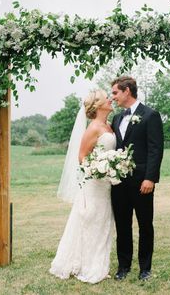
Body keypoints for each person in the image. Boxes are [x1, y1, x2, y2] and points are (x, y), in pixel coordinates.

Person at [49, 89, 116, 284]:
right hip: (95, 184)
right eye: (107, 98)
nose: (111, 100)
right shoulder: (93, 128)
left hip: (107, 185)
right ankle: (88, 266)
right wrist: (100, 170)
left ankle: (99, 264)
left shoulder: (109, 126)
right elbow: (82, 157)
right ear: (98, 105)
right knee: (90, 222)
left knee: (103, 223)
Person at [110, 76, 164, 281]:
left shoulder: (150, 115)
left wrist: (150, 178)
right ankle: (123, 267)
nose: (113, 97)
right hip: (118, 182)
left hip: (142, 182)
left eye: (115, 92)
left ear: (127, 91)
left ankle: (145, 268)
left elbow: (155, 150)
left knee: (145, 225)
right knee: (122, 226)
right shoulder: (117, 118)